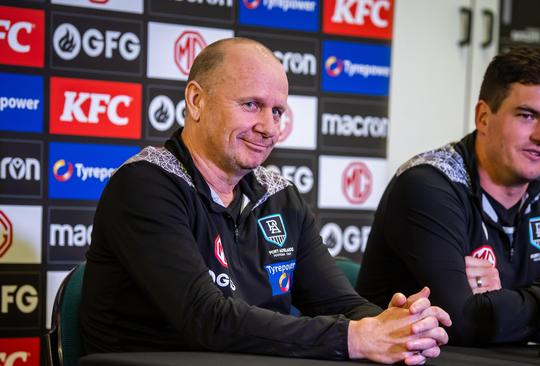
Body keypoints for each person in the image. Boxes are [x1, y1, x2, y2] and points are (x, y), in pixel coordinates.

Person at [80, 37, 450, 364]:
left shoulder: (280, 197)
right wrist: (354, 338)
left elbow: (338, 303)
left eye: (277, 111)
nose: (269, 128)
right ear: (196, 101)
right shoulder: (145, 184)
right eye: (251, 105)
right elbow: (205, 318)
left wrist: (400, 326)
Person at [356, 46, 540, 346]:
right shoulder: (428, 184)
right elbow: (464, 322)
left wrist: (503, 303)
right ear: (483, 117)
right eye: (528, 116)